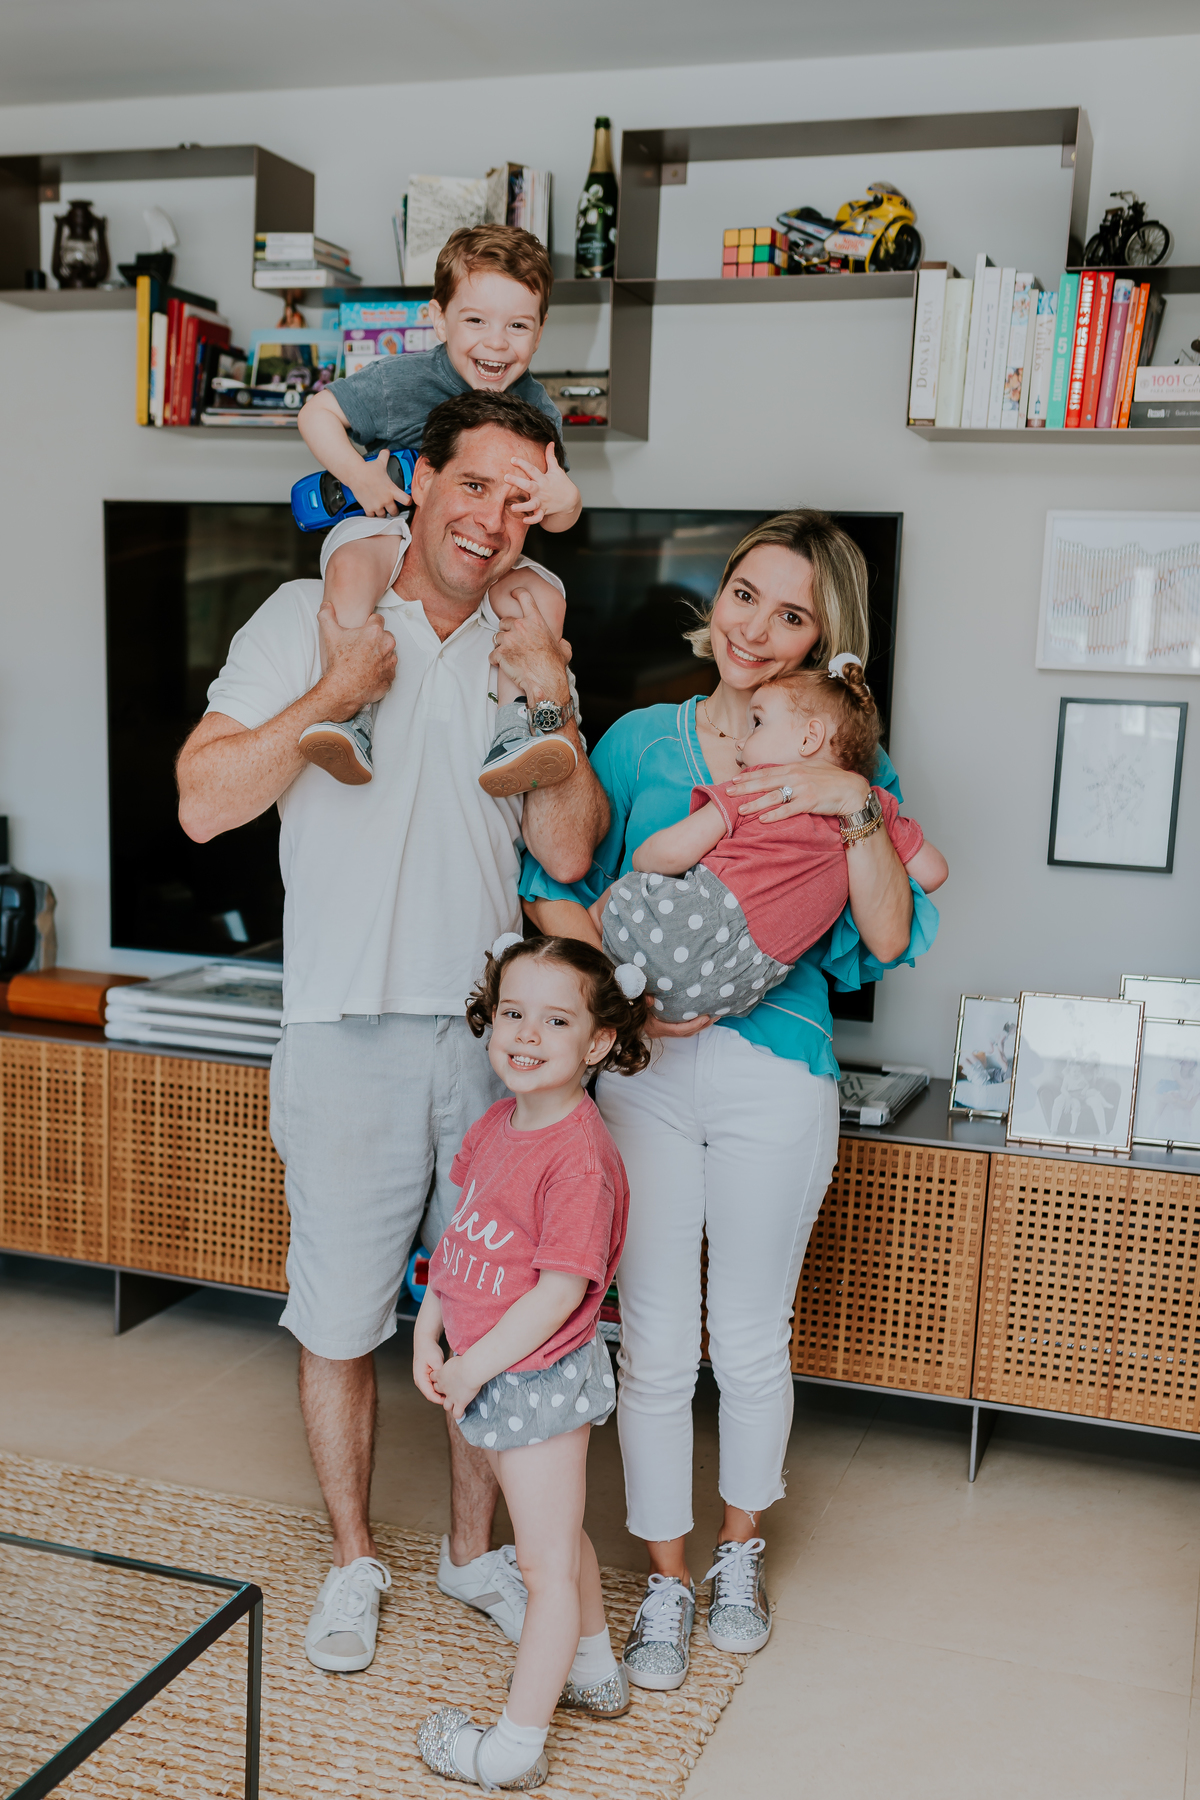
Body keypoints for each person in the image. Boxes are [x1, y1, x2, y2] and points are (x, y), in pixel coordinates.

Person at [175, 389, 609, 1677]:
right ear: (416, 482)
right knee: (342, 1320)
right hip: (343, 1026)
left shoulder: (532, 632)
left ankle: (472, 1556)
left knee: (485, 1325)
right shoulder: (310, 615)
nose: (493, 517)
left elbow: (569, 847)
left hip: (495, 1051)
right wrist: (336, 684)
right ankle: (355, 1559)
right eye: (474, 485)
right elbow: (203, 803)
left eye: (522, 496)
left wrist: (552, 698)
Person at [522, 510, 945, 1689]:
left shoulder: (843, 750)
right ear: (717, 601)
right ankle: (663, 1578)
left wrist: (849, 802)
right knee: (653, 1345)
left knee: (752, 1340)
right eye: (746, 595)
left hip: (777, 1071)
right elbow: (560, 889)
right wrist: (633, 1009)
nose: (758, 627)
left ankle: (738, 1557)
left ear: (826, 640)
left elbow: (893, 928)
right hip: (645, 1071)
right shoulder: (645, 740)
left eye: (794, 612)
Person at [415, 934, 648, 1790]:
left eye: (555, 1020)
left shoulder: (580, 1160)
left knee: (542, 1569)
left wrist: (474, 1369)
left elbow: (556, 1295)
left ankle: (510, 1748)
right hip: (493, 1369)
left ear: (596, 1044)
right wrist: (430, 1324)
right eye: (513, 1012)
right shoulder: (498, 1123)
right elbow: (464, 1230)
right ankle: (592, 1669)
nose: (525, 1033)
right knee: (559, 1537)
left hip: (533, 1378)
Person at [297, 224, 583, 797]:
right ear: (438, 318)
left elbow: (555, 517)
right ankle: (350, 708)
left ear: (540, 331)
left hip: (479, 548)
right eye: (476, 321)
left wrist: (566, 502)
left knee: (543, 599)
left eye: (517, 326)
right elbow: (316, 414)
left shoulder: (539, 410)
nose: (496, 344)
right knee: (354, 565)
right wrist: (359, 474)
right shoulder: (403, 381)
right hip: (388, 525)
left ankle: (515, 727)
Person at [584, 658, 947, 1021]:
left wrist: (639, 869)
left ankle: (619, 978)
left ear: (809, 738)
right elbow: (933, 873)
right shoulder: (877, 804)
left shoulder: (760, 785)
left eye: (757, 723)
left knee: (610, 903)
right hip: (742, 986)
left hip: (683, 934)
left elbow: (662, 855)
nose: (741, 741)